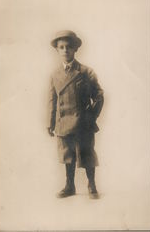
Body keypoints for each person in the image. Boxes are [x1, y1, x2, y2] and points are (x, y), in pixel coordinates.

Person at [47, 30, 104, 199]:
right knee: (67, 155)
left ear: (76, 49)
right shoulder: (54, 75)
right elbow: (52, 100)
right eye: (62, 47)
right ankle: (69, 185)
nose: (65, 50)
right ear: (57, 50)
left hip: (83, 123)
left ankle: (92, 184)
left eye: (69, 47)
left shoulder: (86, 72)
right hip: (63, 122)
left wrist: (91, 116)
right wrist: (50, 123)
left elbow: (99, 96)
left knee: (87, 153)